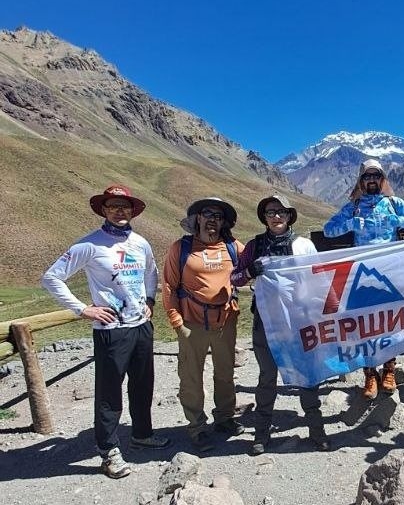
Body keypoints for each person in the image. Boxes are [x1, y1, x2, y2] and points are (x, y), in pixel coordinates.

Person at [42, 185, 166, 479]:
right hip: (111, 329)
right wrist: (83, 309)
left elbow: (151, 272)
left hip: (141, 325)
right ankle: (108, 450)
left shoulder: (140, 243)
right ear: (104, 210)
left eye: (125, 206)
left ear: (132, 211)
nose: (119, 211)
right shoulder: (89, 245)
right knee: (109, 392)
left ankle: (142, 434)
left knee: (143, 384)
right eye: (113, 206)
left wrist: (150, 300)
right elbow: (51, 277)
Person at [231, 194, 330, 455]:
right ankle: (261, 434)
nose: (276, 216)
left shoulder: (304, 246)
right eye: (271, 212)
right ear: (264, 217)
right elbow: (235, 278)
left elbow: (318, 280)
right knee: (267, 377)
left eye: (281, 212)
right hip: (266, 322)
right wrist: (250, 271)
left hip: (300, 321)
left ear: (289, 216)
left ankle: (317, 431)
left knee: (307, 374)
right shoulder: (254, 246)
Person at [323, 158, 404, 399]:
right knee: (364, 326)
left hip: (389, 275)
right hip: (362, 277)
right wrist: (351, 223)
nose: (371, 180)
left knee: (389, 322)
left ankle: (389, 370)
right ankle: (370, 374)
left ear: (382, 180)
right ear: (361, 181)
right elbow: (329, 229)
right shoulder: (353, 207)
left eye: (376, 176)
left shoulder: (393, 203)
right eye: (367, 176)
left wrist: (398, 220)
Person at [162, 197, 244, 451]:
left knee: (225, 372)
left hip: (225, 320)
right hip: (191, 322)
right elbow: (169, 285)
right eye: (207, 214)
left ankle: (225, 417)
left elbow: (253, 266)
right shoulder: (181, 248)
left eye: (218, 216)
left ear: (223, 222)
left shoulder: (233, 247)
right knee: (191, 378)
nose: (212, 220)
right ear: (197, 218)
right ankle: (196, 427)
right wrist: (176, 320)